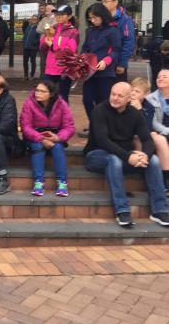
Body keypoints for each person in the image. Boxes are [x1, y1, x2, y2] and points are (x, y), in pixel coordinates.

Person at [85, 82, 169, 228]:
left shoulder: (135, 114)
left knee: (154, 160)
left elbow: (147, 139)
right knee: (114, 160)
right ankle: (122, 210)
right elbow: (102, 141)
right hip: (96, 155)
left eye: (120, 96)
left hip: (124, 156)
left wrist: (145, 156)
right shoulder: (99, 110)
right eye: (113, 94)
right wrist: (128, 156)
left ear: (129, 98)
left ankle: (160, 210)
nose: (115, 98)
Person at [20, 79, 75, 197]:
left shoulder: (62, 104)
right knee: (37, 147)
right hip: (34, 136)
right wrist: (41, 138)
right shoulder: (29, 103)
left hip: (54, 136)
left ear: (51, 94)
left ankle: (62, 183)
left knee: (58, 147)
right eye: (37, 90)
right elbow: (26, 127)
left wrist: (58, 138)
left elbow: (69, 127)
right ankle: (38, 182)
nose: (37, 93)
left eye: (42, 91)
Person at [81, 3, 122, 126]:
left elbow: (116, 51)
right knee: (87, 100)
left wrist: (106, 61)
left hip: (105, 73)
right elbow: (85, 48)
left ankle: (104, 126)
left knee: (102, 102)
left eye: (95, 17)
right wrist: (82, 59)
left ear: (102, 16)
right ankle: (94, 125)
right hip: (89, 72)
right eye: (90, 18)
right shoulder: (90, 31)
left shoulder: (112, 31)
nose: (93, 21)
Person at [40, 5, 79, 102]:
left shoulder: (73, 32)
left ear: (69, 16)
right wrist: (47, 39)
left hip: (64, 70)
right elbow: (42, 48)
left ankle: (63, 117)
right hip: (50, 69)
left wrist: (53, 45)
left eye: (62, 15)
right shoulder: (52, 28)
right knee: (44, 95)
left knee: (62, 97)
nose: (58, 17)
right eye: (57, 14)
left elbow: (70, 51)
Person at [98, 0, 135, 82]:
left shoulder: (124, 19)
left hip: (116, 62)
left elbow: (128, 42)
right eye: (102, 2)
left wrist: (122, 63)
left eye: (106, 1)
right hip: (102, 61)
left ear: (115, 2)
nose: (103, 4)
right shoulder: (100, 19)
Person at [145, 70, 169, 191]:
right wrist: (167, 131)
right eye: (159, 77)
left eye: (164, 77)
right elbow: (153, 122)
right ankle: (166, 180)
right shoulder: (150, 98)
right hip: (158, 131)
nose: (160, 78)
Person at [37, 4, 55, 76]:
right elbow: (38, 30)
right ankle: (42, 78)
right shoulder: (44, 19)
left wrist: (47, 29)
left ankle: (49, 78)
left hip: (51, 44)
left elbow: (52, 29)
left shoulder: (56, 19)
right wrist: (47, 29)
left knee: (50, 61)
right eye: (46, 8)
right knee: (42, 62)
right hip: (43, 44)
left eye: (48, 8)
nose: (46, 10)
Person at [22, 15, 40, 80]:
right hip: (26, 47)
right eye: (32, 19)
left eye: (35, 19)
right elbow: (25, 35)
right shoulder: (28, 27)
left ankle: (32, 75)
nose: (33, 20)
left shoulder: (38, 28)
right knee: (25, 62)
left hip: (33, 48)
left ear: (37, 20)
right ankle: (25, 75)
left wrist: (34, 42)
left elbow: (39, 38)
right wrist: (24, 42)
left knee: (33, 61)